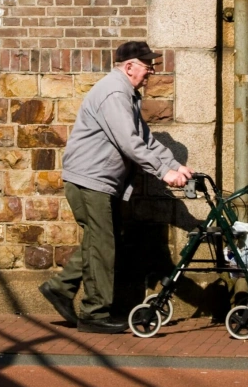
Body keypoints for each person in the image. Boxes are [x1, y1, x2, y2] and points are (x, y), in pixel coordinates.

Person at [39, 41, 193, 334]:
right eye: (147, 66)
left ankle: (60, 288)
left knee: (98, 241)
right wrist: (164, 173)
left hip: (97, 181)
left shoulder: (126, 94)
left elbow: (145, 139)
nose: (150, 73)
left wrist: (175, 166)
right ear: (129, 66)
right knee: (103, 245)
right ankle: (94, 313)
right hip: (90, 180)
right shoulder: (114, 93)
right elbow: (129, 142)